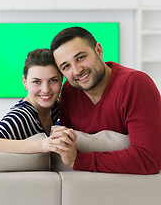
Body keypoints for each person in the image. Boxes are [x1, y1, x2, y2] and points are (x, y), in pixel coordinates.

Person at [50, 26, 161, 174]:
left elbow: (148, 159)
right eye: (66, 66)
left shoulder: (135, 84)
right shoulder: (70, 91)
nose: (77, 71)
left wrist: (79, 160)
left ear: (98, 50)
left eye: (81, 57)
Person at [0, 49, 76, 154]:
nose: (46, 89)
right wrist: (42, 144)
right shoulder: (22, 115)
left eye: (53, 80)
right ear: (25, 82)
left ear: (61, 80)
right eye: (36, 81)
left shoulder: (57, 106)